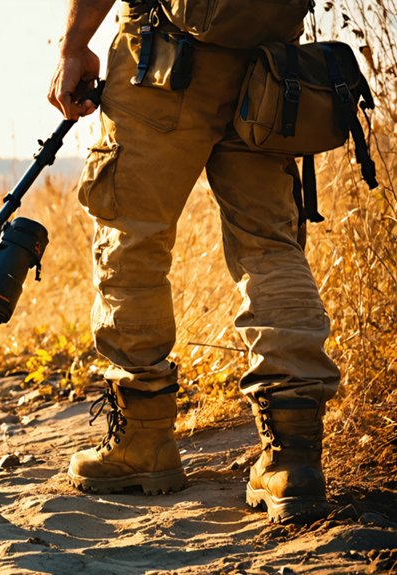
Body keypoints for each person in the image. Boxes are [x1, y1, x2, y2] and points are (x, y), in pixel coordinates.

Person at [47, 0, 340, 524]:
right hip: (272, 73)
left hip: (162, 63)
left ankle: (142, 441)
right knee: (271, 247)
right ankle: (293, 459)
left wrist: (73, 46)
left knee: (132, 240)